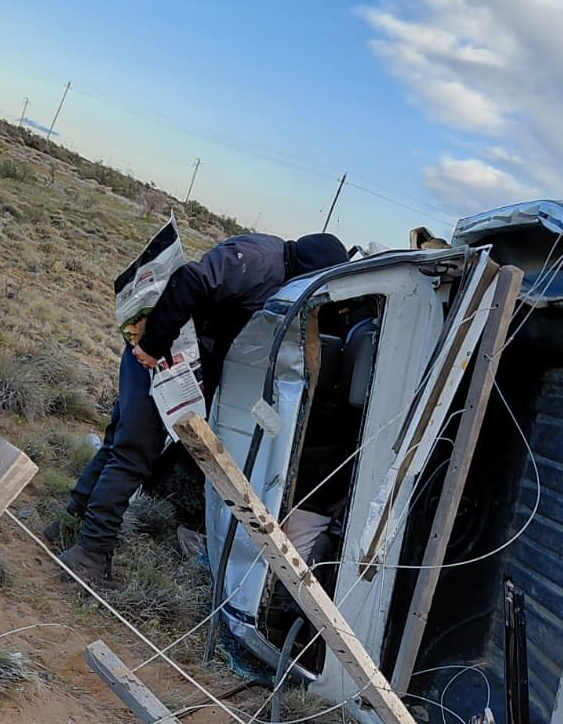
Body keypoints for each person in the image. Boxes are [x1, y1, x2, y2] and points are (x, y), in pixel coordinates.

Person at [50, 230, 347, 583]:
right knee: (134, 454)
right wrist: (154, 344)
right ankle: (90, 554)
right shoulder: (260, 261)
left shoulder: (274, 264)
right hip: (159, 357)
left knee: (120, 443)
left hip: (167, 358)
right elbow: (190, 279)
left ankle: (69, 523)